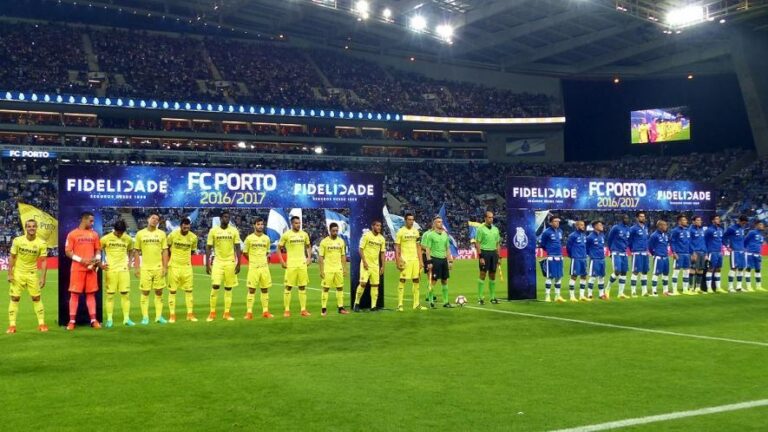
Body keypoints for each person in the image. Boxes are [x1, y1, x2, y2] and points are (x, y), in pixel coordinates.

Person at [7, 220, 48, 333]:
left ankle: (41, 324)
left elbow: (44, 261)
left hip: (32, 274)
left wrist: (43, 277)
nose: (31, 228)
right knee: (15, 298)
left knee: (36, 298)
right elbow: (12, 257)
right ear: (25, 228)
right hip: (18, 273)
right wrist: (10, 273)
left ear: (36, 228)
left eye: (34, 226)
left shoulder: (41, 243)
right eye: (29, 226)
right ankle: (12, 325)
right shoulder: (18, 240)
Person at [65, 211, 102, 330]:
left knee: (91, 294)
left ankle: (93, 320)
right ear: (84, 220)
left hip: (91, 270)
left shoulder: (95, 234)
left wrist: (96, 260)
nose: (92, 223)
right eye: (91, 221)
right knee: (74, 294)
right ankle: (71, 321)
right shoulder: (72, 234)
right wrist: (82, 261)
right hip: (77, 269)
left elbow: (98, 250)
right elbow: (68, 252)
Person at [206, 211, 241, 321]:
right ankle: (212, 313)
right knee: (215, 286)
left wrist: (239, 263)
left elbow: (238, 247)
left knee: (228, 288)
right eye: (225, 217)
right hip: (218, 262)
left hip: (230, 262)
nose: (227, 219)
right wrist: (207, 263)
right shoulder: (213, 231)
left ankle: (226, 313)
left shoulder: (234, 231)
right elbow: (208, 247)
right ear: (221, 218)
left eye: (228, 217)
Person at [100, 220, 134, 328]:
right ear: (114, 230)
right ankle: (110, 319)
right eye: (118, 232)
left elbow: (131, 250)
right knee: (110, 296)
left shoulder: (127, 238)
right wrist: (100, 263)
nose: (120, 234)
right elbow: (98, 250)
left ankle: (126, 319)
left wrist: (130, 263)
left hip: (123, 269)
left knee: (126, 294)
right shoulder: (105, 238)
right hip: (110, 270)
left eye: (122, 232)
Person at [278, 216, 311, 317]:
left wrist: (309, 257)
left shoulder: (304, 234)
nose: (298, 225)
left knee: (302, 287)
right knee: (288, 287)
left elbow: (308, 246)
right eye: (296, 223)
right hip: (291, 264)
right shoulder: (286, 235)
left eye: (299, 223)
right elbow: (278, 248)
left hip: (302, 264)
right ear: (292, 224)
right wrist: (282, 261)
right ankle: (287, 310)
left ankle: (303, 310)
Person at [167, 217, 198, 322]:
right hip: (174, 266)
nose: (186, 227)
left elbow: (193, 251)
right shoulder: (173, 235)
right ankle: (172, 315)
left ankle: (190, 314)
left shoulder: (193, 237)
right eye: (184, 226)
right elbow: (167, 247)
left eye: (188, 226)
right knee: (172, 291)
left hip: (187, 267)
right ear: (181, 226)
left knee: (189, 290)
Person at [243, 217, 273, 319]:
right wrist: (252, 260)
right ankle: (249, 312)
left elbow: (267, 252)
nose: (260, 226)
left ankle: (265, 312)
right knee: (251, 290)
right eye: (258, 224)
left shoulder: (267, 238)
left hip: (264, 268)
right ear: (254, 225)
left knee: (265, 289)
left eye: (262, 224)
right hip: (253, 268)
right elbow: (245, 253)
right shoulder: (249, 238)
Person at [394, 213, 425, 311]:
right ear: (405, 220)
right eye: (409, 219)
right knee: (402, 280)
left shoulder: (416, 231)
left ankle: (416, 304)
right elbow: (397, 247)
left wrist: (421, 261)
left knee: (416, 280)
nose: (411, 221)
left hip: (415, 259)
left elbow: (418, 247)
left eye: (412, 220)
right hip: (405, 260)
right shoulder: (400, 232)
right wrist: (398, 260)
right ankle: (400, 304)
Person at [421, 216, 454, 308]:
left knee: (445, 280)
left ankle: (446, 302)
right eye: (439, 222)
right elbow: (427, 249)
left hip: (443, 260)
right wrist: (429, 262)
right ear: (434, 224)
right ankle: (431, 302)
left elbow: (447, 248)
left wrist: (450, 260)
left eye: (441, 221)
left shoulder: (445, 235)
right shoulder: (430, 235)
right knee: (433, 281)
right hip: (435, 259)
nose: (441, 223)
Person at [354, 221, 386, 312]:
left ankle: (373, 306)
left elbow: (382, 253)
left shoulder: (382, 239)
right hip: (366, 264)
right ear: (372, 226)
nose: (379, 227)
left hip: (375, 265)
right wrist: (364, 261)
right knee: (363, 283)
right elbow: (360, 249)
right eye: (377, 225)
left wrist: (383, 266)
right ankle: (356, 303)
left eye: (380, 226)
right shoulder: (366, 235)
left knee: (375, 285)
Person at [318, 222, 349, 316]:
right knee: (325, 288)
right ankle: (323, 309)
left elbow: (343, 256)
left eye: (336, 230)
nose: (335, 232)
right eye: (333, 231)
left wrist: (344, 268)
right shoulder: (324, 242)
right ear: (329, 230)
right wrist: (321, 270)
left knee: (340, 287)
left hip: (338, 268)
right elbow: (320, 257)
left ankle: (340, 308)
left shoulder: (341, 241)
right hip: (328, 269)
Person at [474, 210, 501, 305]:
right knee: (482, 274)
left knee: (493, 275)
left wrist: (499, 256)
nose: (491, 219)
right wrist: (480, 256)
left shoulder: (496, 229)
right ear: (485, 218)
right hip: (484, 253)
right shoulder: (480, 229)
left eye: (492, 217)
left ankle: (492, 297)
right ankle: (480, 298)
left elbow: (498, 243)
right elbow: (477, 243)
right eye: (489, 217)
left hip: (493, 253)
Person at [540, 216, 564, 303]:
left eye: (558, 221)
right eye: (555, 221)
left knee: (559, 277)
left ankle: (557, 296)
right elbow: (542, 244)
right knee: (550, 276)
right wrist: (550, 250)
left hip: (560, 256)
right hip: (551, 257)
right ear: (550, 223)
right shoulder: (546, 232)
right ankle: (547, 296)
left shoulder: (560, 231)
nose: (557, 223)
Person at [606, 215, 631, 299]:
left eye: (627, 218)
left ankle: (620, 293)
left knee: (624, 273)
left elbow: (627, 240)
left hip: (624, 253)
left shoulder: (628, 229)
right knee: (617, 271)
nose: (626, 219)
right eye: (625, 218)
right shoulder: (616, 228)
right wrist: (610, 250)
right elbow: (609, 239)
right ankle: (607, 289)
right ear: (621, 219)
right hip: (616, 252)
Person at [723, 215, 748, 293]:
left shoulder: (742, 229)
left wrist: (744, 247)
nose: (744, 224)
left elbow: (742, 239)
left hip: (741, 251)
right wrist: (727, 246)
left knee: (741, 268)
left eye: (745, 223)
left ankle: (739, 287)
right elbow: (724, 237)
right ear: (739, 221)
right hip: (734, 251)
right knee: (733, 268)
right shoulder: (731, 228)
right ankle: (730, 287)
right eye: (743, 223)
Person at [628, 212, 650, 298]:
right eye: (641, 216)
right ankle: (633, 291)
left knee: (644, 272)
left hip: (645, 252)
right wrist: (633, 249)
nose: (643, 218)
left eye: (644, 216)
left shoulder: (646, 228)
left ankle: (644, 291)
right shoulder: (633, 228)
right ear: (637, 218)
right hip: (637, 252)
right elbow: (629, 240)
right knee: (635, 272)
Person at [669, 215, 692, 295]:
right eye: (684, 220)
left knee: (686, 271)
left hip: (687, 254)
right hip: (679, 254)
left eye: (686, 220)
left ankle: (685, 289)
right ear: (679, 221)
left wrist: (692, 253)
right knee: (676, 272)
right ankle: (674, 290)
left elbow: (689, 243)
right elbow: (672, 242)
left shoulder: (687, 230)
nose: (686, 221)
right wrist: (674, 252)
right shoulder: (675, 231)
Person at [566, 220, 588, 302]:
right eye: (581, 225)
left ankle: (582, 295)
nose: (583, 226)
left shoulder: (584, 235)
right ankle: (572, 296)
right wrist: (572, 255)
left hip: (584, 258)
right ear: (577, 226)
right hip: (576, 258)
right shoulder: (572, 235)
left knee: (584, 276)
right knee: (574, 276)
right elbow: (568, 247)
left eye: (584, 225)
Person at [648, 220, 671, 296]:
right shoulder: (654, 235)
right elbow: (650, 247)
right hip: (658, 257)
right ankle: (654, 291)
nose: (666, 226)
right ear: (660, 226)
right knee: (656, 274)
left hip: (666, 257)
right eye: (664, 225)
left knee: (666, 274)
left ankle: (665, 291)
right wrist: (655, 254)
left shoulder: (666, 235)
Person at [704, 215, 724, 293]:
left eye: (719, 218)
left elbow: (721, 241)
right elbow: (704, 242)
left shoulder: (721, 229)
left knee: (718, 269)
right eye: (716, 219)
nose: (718, 220)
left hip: (719, 252)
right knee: (710, 269)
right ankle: (709, 288)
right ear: (712, 221)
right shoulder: (709, 230)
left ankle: (718, 287)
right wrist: (706, 253)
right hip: (712, 252)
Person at [586, 220, 606, 300]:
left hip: (602, 259)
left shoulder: (602, 235)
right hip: (594, 259)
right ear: (595, 227)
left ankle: (601, 294)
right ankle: (589, 294)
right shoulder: (590, 237)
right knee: (593, 277)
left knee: (602, 277)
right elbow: (586, 248)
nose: (602, 226)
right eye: (600, 225)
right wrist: (591, 255)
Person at [744, 220, 765, 292]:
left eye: (762, 225)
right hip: (750, 254)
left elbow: (760, 244)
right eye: (760, 225)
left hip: (758, 254)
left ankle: (758, 286)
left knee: (758, 270)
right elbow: (745, 241)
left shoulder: (761, 235)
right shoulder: (752, 232)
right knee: (749, 269)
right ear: (756, 225)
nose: (762, 226)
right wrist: (746, 250)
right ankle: (748, 287)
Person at [688, 216, 707, 294]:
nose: (700, 221)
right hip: (695, 252)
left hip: (702, 252)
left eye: (700, 220)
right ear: (693, 221)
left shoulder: (701, 230)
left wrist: (706, 253)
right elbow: (688, 242)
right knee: (692, 269)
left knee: (700, 270)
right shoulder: (690, 230)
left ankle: (698, 288)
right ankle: (690, 287)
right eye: (698, 220)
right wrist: (692, 253)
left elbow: (703, 242)